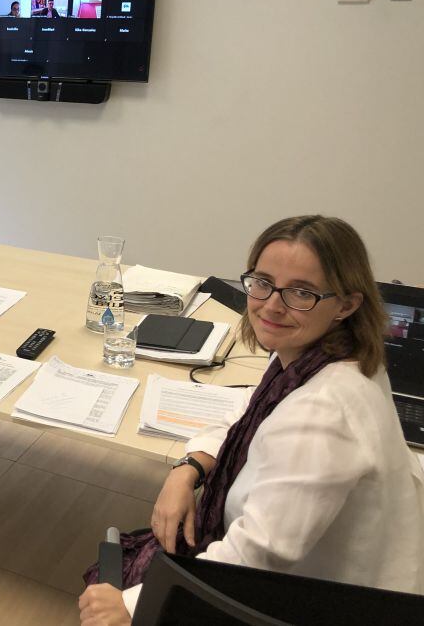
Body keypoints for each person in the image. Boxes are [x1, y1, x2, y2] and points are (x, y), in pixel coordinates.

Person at [79, 215, 424, 625]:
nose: (272, 304)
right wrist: (188, 469)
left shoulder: (325, 415)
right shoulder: (326, 354)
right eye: (262, 282)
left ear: (347, 304)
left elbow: (257, 555)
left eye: (301, 292)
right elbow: (249, 409)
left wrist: (129, 607)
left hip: (337, 600)